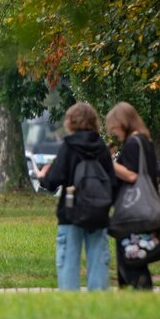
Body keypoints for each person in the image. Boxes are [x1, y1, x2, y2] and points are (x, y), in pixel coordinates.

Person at [37, 102, 114, 291]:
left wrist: (42, 177)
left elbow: (54, 179)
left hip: (70, 212)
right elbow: (112, 181)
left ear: (70, 122)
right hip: (98, 213)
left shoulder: (68, 147)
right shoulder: (101, 147)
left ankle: (69, 303)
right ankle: (98, 304)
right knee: (97, 260)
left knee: (69, 262)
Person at [105, 101, 160, 290]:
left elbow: (131, 175)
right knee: (138, 256)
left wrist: (108, 162)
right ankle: (136, 296)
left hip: (132, 210)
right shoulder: (146, 141)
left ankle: (139, 295)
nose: (113, 132)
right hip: (145, 207)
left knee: (130, 259)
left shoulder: (132, 143)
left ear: (123, 122)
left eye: (114, 126)